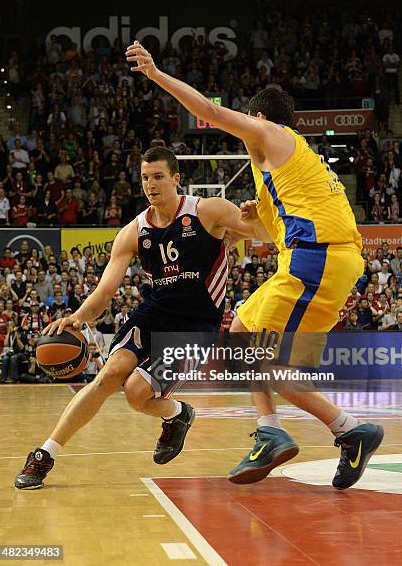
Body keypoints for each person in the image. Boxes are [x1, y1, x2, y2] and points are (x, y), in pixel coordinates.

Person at [125, 41, 384, 490]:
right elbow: (266, 231)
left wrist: (154, 74)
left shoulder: (271, 136)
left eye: (248, 121)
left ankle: (343, 429)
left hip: (316, 257)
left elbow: (208, 108)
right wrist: (255, 216)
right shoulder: (284, 164)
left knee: (248, 352)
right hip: (325, 258)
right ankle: (286, 430)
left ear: (259, 118)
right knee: (246, 336)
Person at [14, 147, 268, 489]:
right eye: (145, 177)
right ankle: (45, 454)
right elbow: (104, 293)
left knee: (136, 394)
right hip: (152, 315)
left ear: (176, 179)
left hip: (195, 326)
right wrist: (78, 317)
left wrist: (259, 216)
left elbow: (267, 235)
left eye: (158, 176)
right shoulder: (134, 231)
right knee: (108, 376)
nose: (151, 184)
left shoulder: (208, 211)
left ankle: (177, 414)